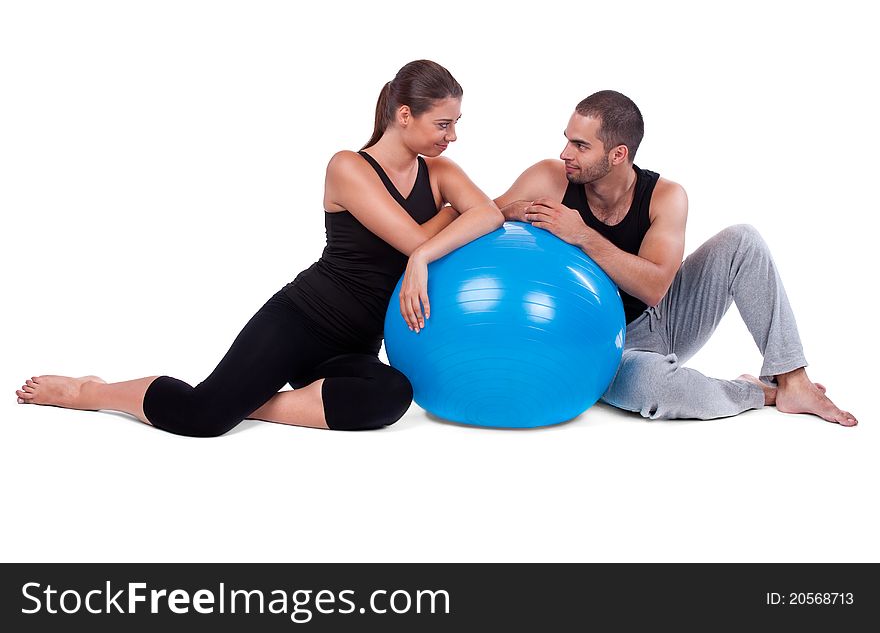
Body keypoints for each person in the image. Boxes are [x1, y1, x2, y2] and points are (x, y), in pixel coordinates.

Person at [15, 59, 504, 436]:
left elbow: (491, 213)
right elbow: (421, 237)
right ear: (404, 115)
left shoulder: (439, 173)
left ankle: (253, 403)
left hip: (351, 346)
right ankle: (93, 391)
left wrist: (436, 239)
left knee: (391, 396)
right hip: (299, 321)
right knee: (203, 415)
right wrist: (446, 221)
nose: (453, 136)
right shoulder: (348, 167)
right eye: (443, 123)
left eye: (456, 123)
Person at [493, 90, 856, 426]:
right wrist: (509, 212)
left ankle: (793, 379)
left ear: (618, 154)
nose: (565, 153)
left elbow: (654, 288)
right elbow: (481, 216)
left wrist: (582, 235)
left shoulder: (665, 196)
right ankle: (759, 392)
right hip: (605, 344)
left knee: (743, 239)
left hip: (664, 318)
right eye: (567, 139)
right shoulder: (549, 178)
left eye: (580, 145)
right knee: (657, 389)